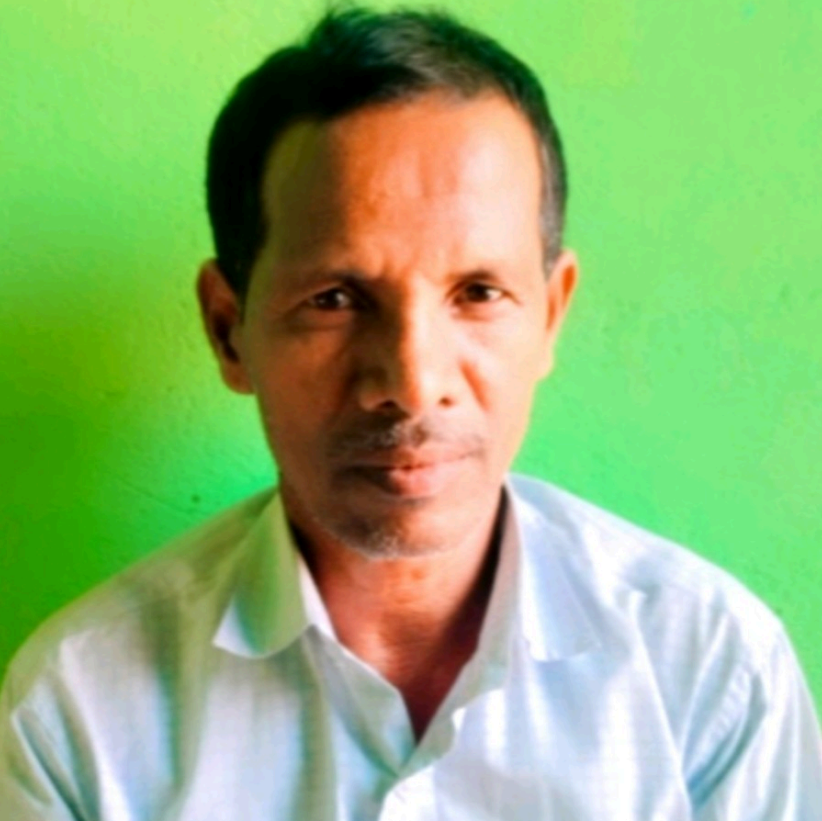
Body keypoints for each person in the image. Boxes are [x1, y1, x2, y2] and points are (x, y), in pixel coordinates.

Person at [1, 6, 820, 819]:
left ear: (550, 316)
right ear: (228, 330)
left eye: (479, 293)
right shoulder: (77, 717)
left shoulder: (710, 673)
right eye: (335, 299)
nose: (414, 382)